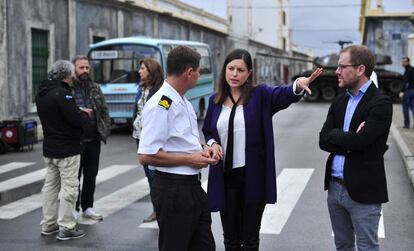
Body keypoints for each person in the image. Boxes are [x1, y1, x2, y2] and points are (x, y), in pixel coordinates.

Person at [202, 49, 322, 250]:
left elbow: (282, 94)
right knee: (230, 238)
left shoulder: (260, 96)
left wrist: (297, 86)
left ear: (249, 73)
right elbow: (209, 131)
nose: (234, 74)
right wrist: (213, 143)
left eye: (240, 70)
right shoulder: (215, 101)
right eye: (230, 68)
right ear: (224, 71)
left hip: (252, 177)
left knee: (250, 238)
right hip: (226, 177)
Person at [138, 45, 218, 251]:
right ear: (189, 72)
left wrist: (203, 148)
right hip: (173, 190)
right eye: (199, 71)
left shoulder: (181, 99)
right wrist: (190, 160)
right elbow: (146, 155)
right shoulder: (161, 104)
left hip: (192, 187)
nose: (199, 76)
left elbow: (181, 140)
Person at [319, 45, 392, 251]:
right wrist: (349, 138)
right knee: (342, 246)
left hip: (364, 191)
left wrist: (340, 137)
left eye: (342, 66)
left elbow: (362, 143)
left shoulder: (381, 103)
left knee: (367, 247)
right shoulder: (340, 99)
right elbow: (323, 140)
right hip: (335, 188)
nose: (337, 71)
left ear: (360, 69)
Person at [36, 60, 91, 240]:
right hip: (67, 149)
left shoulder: (43, 93)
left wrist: (75, 110)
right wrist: (83, 114)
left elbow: (57, 115)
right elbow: (75, 119)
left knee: (50, 187)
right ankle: (67, 227)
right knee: (70, 188)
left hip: (50, 148)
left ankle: (49, 224)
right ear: (67, 75)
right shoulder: (63, 94)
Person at [72, 55, 111, 221]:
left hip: (94, 139)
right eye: (81, 67)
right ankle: (73, 208)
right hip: (76, 141)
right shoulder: (68, 89)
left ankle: (88, 207)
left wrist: (105, 129)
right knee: (74, 178)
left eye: (87, 67)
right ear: (74, 69)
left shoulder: (95, 88)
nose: (85, 71)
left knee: (91, 175)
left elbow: (104, 110)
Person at [132, 58, 163, 223]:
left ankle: (161, 209)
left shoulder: (161, 90)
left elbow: (165, 109)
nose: (139, 71)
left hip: (153, 138)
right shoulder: (141, 88)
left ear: (151, 71)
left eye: (143, 68)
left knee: (156, 176)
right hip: (140, 136)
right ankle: (156, 209)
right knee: (150, 177)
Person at [399, 57, 414, 128]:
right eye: (402, 62)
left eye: (404, 62)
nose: (403, 63)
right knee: (413, 107)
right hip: (413, 91)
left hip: (408, 91)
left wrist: (402, 91)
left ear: (408, 62)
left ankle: (407, 124)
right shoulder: (412, 69)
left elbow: (406, 82)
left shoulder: (408, 70)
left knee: (405, 108)